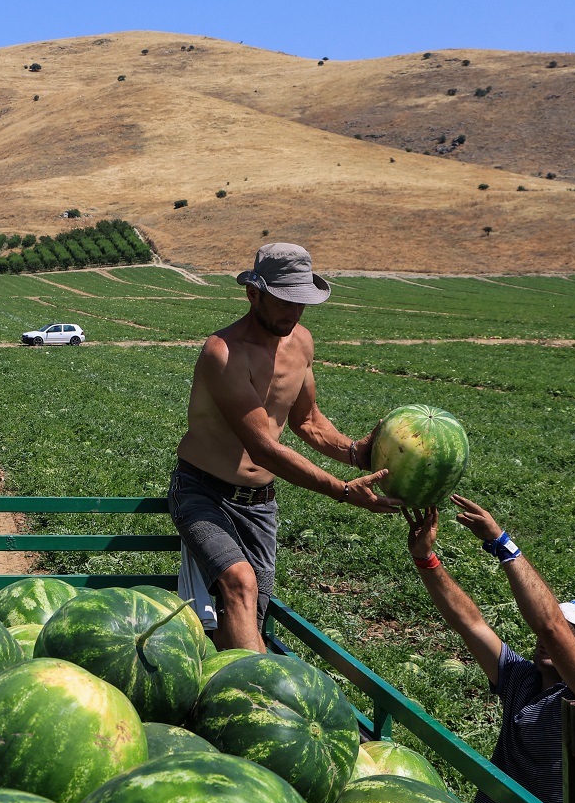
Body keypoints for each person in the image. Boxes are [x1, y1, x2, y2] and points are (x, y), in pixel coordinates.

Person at [171, 243, 402, 652]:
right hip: (201, 492)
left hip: (260, 505)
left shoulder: (302, 343)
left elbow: (307, 421)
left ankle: (223, 690)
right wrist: (344, 490)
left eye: (302, 303)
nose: (294, 313)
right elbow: (263, 447)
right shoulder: (222, 353)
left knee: (244, 618)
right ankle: (262, 700)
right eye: (285, 301)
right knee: (240, 584)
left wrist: (356, 452)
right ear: (253, 294)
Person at [406, 494, 575, 803]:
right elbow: (470, 622)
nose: (554, 634)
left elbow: (549, 626)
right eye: (561, 625)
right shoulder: (519, 677)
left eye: (572, 631)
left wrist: (502, 543)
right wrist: (425, 558)